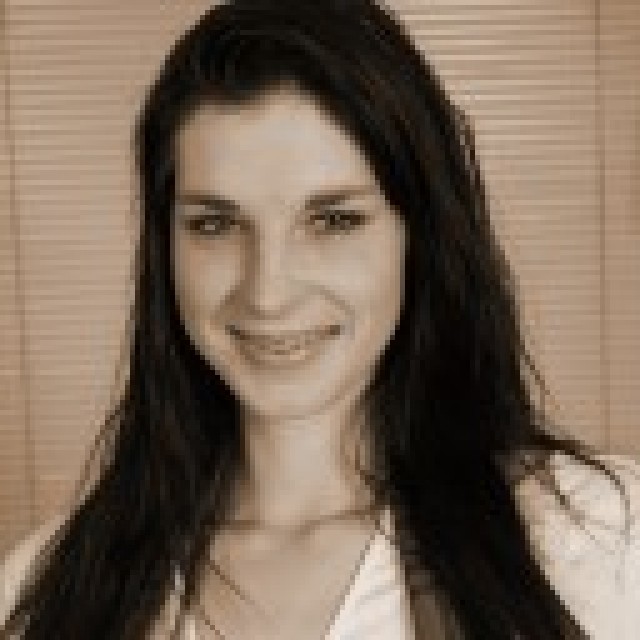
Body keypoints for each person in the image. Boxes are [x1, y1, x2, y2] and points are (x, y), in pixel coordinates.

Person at [2, 0, 639, 638]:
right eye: (215, 224)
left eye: (333, 221)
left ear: (419, 236)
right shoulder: (42, 591)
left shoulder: (599, 539)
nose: (268, 293)